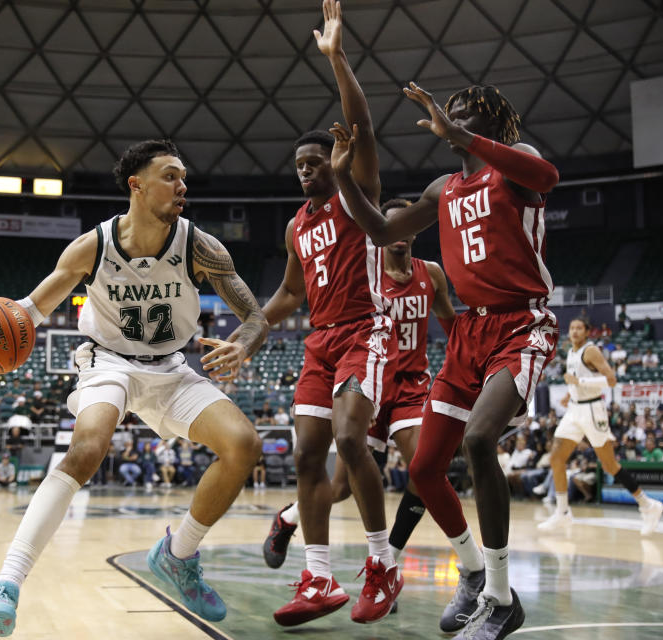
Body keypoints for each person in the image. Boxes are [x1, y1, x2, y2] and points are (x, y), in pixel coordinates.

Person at [0, 137, 268, 639]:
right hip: (109, 363)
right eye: (170, 175)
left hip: (170, 367)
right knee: (88, 447)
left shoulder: (201, 246)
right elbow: (28, 312)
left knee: (245, 446)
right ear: (136, 185)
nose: (182, 185)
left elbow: (253, 314)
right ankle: (5, 588)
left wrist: (244, 343)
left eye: (184, 177)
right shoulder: (91, 247)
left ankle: (178, 554)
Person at [334, 75, 563, 637]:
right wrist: (343, 178)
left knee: (481, 438)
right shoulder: (441, 189)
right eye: (448, 111)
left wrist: (461, 131)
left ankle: (502, 597)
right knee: (423, 468)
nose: (449, 117)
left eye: (463, 111)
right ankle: (474, 572)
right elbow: (382, 226)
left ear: (491, 120)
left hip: (521, 322)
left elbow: (548, 178)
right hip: (469, 333)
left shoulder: (515, 161)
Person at [258, 3, 413, 626]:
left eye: (313, 162)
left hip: (366, 329)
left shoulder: (358, 190)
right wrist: (251, 330)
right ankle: (318, 579)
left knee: (351, 440)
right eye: (298, 167)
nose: (304, 171)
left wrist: (337, 58)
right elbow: (291, 294)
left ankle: (382, 565)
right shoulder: (297, 225)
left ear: (333, 160)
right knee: (304, 459)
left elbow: (362, 126)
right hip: (319, 341)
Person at [263, 197, 456, 598]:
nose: (397, 234)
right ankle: (288, 518)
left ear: (414, 231)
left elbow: (453, 325)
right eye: (389, 225)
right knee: (339, 489)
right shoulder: (365, 275)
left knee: (425, 468)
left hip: (409, 385)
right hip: (369, 379)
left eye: (405, 225)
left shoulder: (431, 274)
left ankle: (391, 559)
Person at [539, 317, 663, 535]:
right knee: (556, 458)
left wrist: (580, 384)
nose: (575, 331)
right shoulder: (570, 351)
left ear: (587, 332)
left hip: (593, 411)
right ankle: (563, 512)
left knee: (609, 465)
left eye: (579, 328)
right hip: (575, 410)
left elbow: (612, 379)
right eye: (572, 327)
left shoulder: (591, 351)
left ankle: (648, 505)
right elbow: (578, 377)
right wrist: (570, 393)